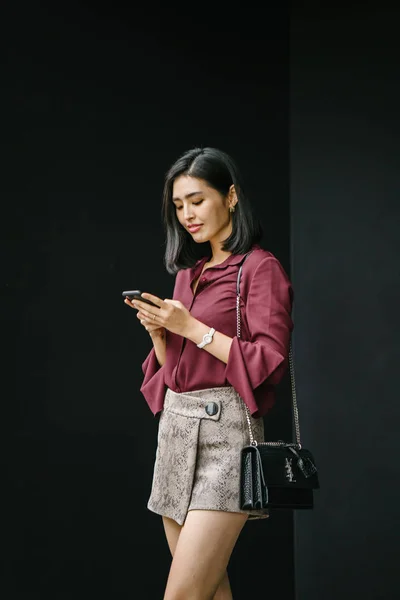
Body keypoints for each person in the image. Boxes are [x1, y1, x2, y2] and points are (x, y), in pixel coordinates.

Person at [124, 147, 293, 600]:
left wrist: (191, 328)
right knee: (210, 592)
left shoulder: (260, 268)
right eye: (178, 206)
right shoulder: (189, 275)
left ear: (232, 196)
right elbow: (176, 372)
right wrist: (163, 335)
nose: (187, 215)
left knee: (182, 594)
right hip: (176, 432)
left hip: (225, 438)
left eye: (197, 200)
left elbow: (268, 362)